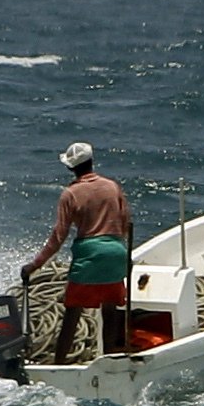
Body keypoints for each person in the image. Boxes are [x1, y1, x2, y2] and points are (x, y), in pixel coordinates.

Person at [21, 141, 132, 364]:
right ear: (92, 162)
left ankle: (59, 364)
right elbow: (126, 223)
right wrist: (126, 259)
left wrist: (34, 266)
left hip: (89, 253)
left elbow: (58, 238)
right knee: (109, 312)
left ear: (71, 168)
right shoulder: (112, 187)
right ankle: (109, 361)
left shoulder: (70, 194)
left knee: (72, 312)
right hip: (116, 251)